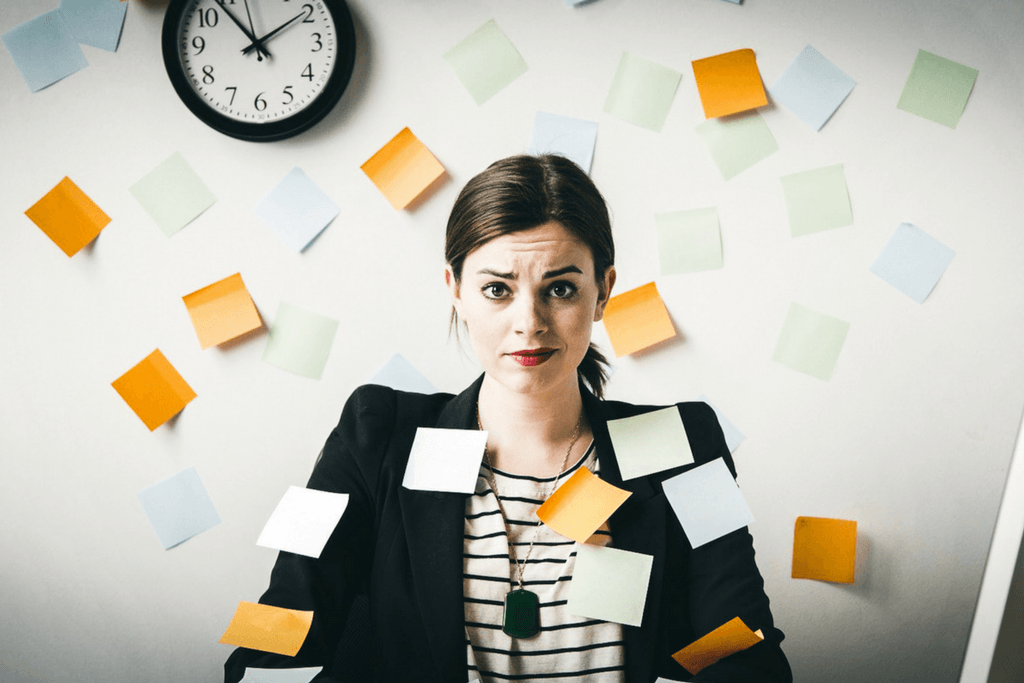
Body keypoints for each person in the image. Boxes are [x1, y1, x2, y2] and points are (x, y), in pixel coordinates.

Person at [224, 155, 792, 682]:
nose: (530, 322)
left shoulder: (682, 442)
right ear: (455, 290)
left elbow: (744, 647)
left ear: (603, 292)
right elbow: (278, 631)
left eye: (561, 289)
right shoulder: (373, 431)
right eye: (497, 289)